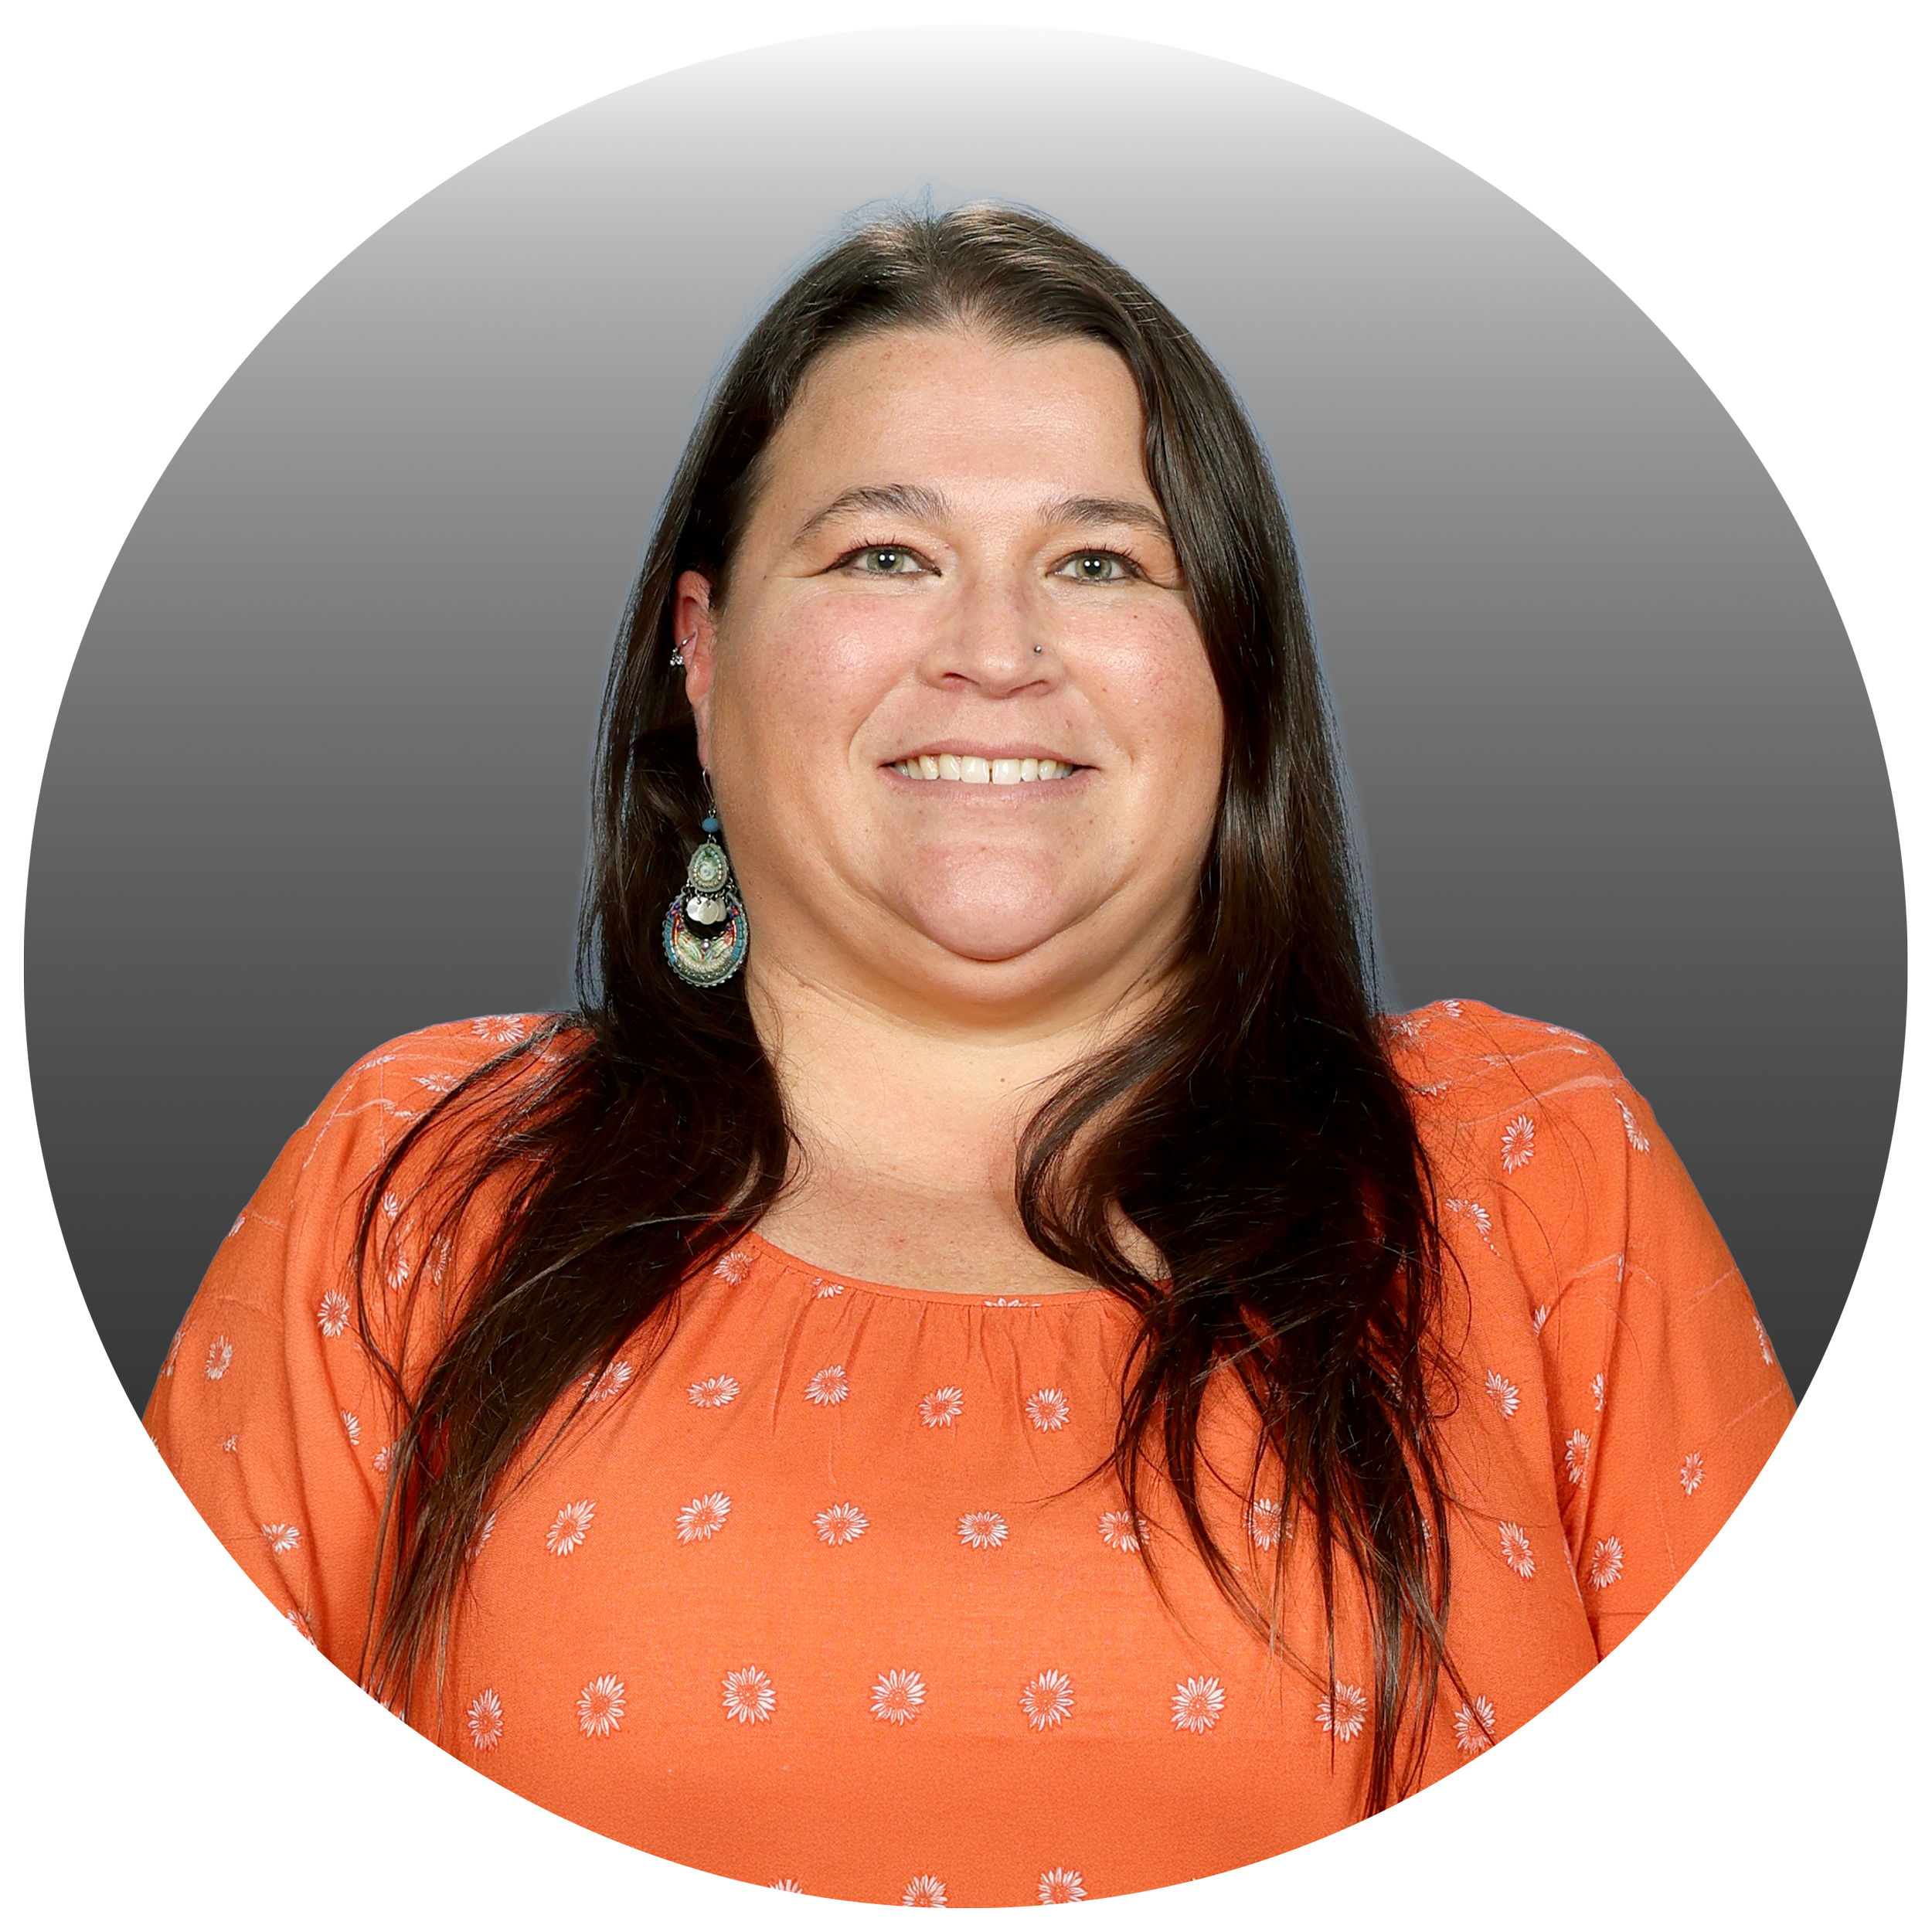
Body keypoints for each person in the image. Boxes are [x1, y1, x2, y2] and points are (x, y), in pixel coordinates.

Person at [146, 202, 1804, 1912]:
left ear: (1229, 670)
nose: (995, 652)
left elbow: (1773, 1832)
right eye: (882, 554)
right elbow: (202, 1850)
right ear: (699, 659)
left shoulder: (1528, 1164)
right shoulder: (414, 1178)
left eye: (1099, 562)